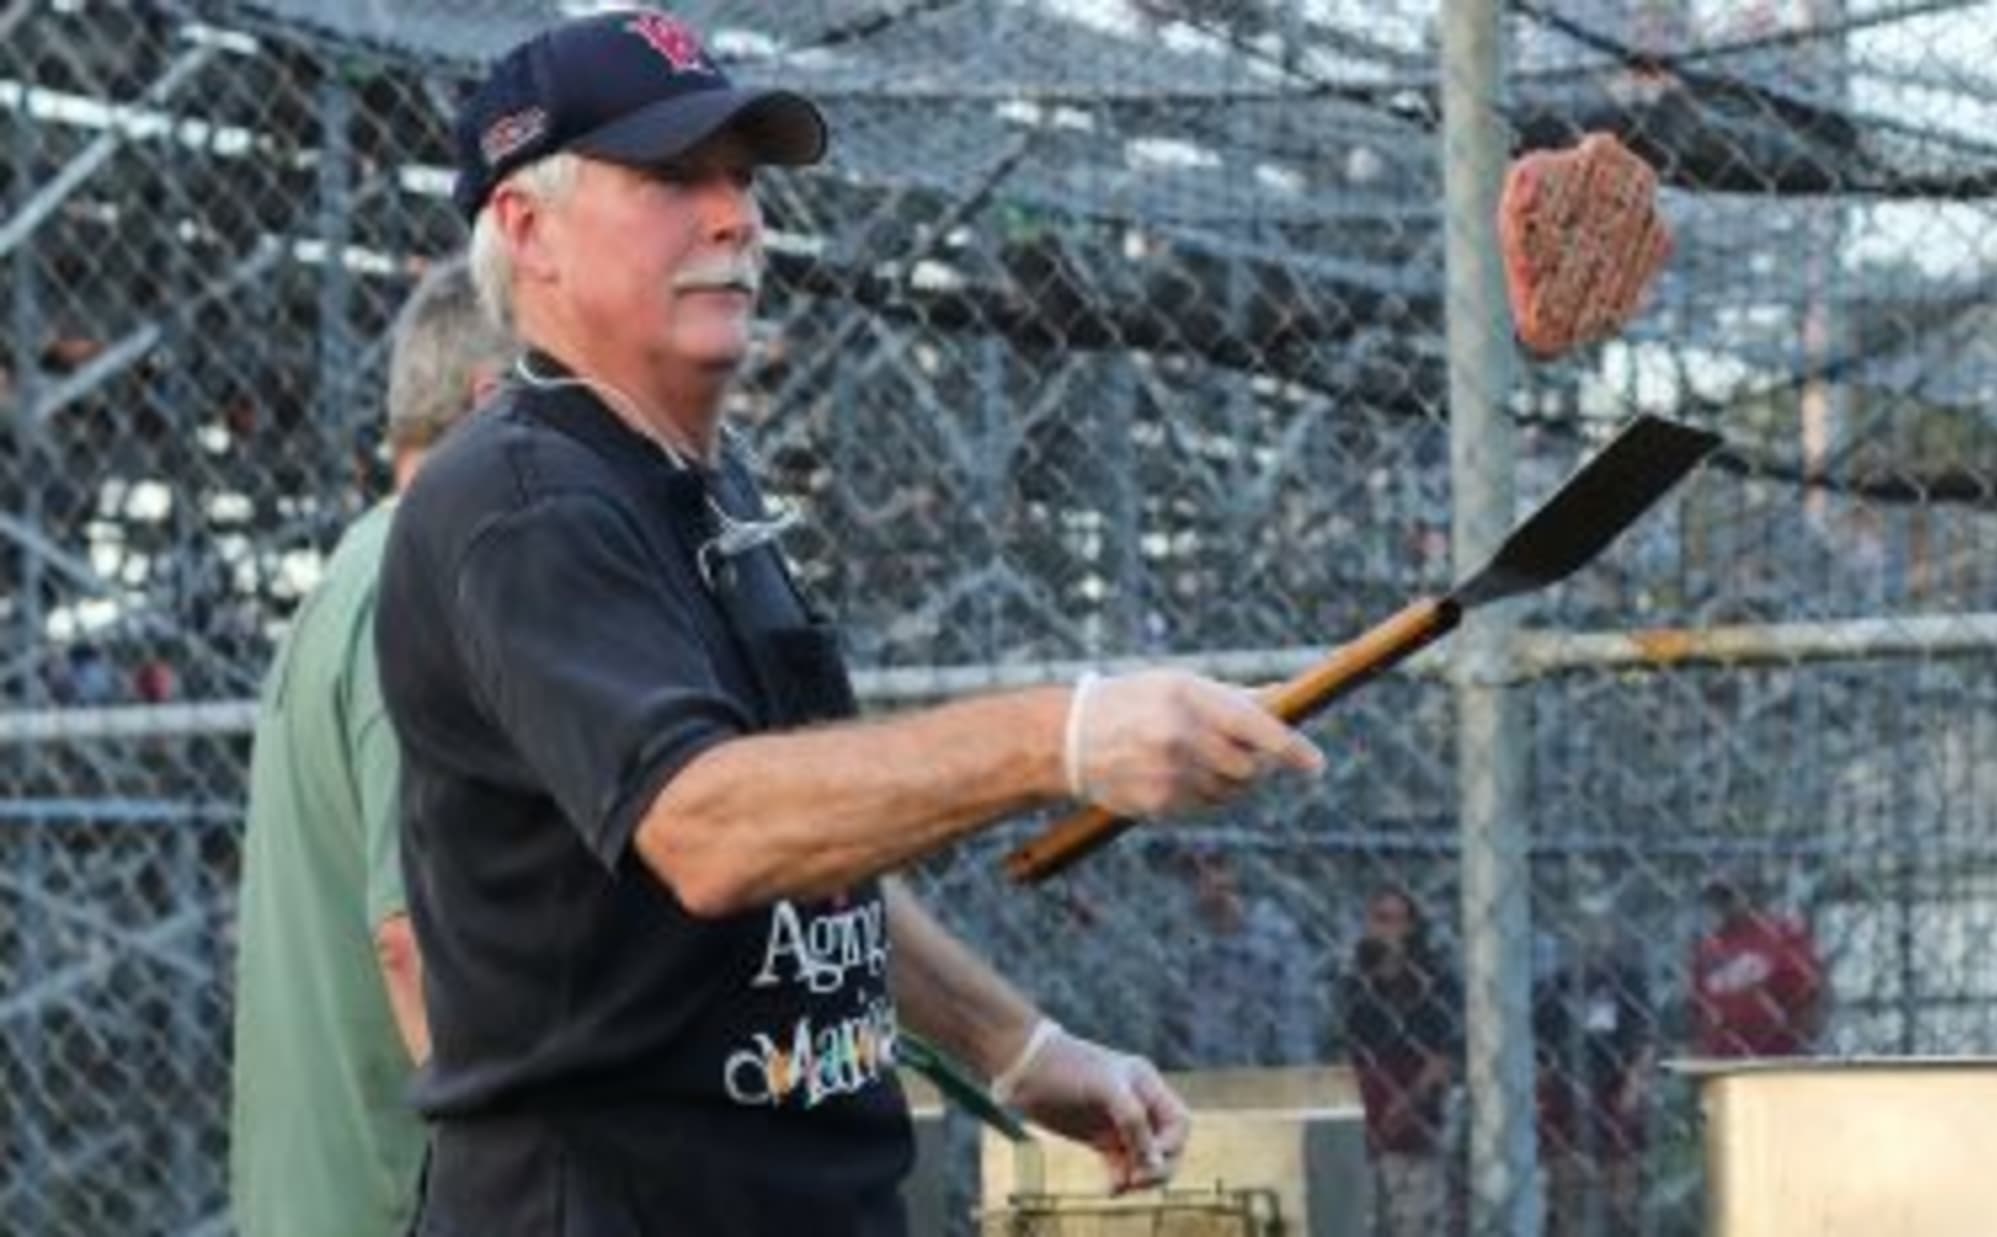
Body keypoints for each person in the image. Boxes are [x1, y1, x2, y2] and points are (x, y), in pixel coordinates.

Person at [373, 12, 1326, 1234]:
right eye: (673, 177)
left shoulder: (705, 482)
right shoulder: (520, 505)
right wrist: (1062, 738)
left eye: (741, 177)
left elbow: (813, 854)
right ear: (527, 229)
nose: (734, 216)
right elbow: (710, 828)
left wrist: (1018, 1045)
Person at [229, 258, 511, 1237]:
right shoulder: (425, 579)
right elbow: (416, 945)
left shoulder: (357, 568)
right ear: (497, 399)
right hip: (405, 1199)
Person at [1340, 885, 1462, 1237]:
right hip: (1365, 1115)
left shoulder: (1435, 983)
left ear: (1411, 928)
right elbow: (1345, 1051)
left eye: (1395, 921)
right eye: (1379, 920)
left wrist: (1408, 1102)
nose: (1386, 931)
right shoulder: (1355, 984)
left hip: (1414, 1118)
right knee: (1362, 1219)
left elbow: (1444, 1055)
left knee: (1414, 1221)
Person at [1534, 895, 1656, 1237]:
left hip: (1614, 1092)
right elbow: (1541, 1055)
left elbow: (1644, 1042)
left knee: (1621, 1200)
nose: (1587, 937)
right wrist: (1542, 1095)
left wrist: (1633, 1088)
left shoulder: (1627, 983)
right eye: (1579, 928)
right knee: (1568, 1195)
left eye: (1597, 928)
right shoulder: (1551, 988)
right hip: (1567, 1094)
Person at [1162, 848, 1319, 1067]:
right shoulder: (1181, 942)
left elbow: (1295, 1018)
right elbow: (1173, 1021)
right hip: (1202, 1070)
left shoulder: (1277, 935)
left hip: (1267, 1071)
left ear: (1232, 872)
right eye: (1193, 873)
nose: (1206, 876)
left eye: (1216, 865)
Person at [1690, 871, 1824, 1058]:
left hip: (1776, 1056)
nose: (1723, 906)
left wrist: (1804, 1043)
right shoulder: (1709, 947)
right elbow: (1699, 1010)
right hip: (1723, 1056)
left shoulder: (1781, 935)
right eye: (1717, 900)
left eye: (1728, 897)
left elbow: (1809, 995)